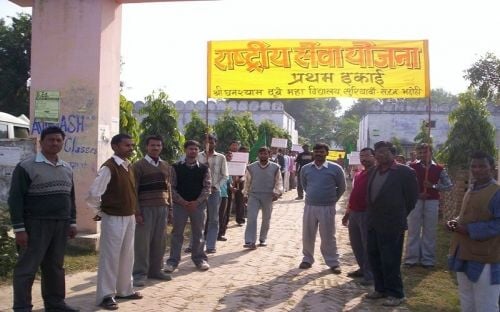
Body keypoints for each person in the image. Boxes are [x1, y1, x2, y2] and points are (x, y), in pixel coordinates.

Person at [8, 126, 79, 312]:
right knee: (27, 268)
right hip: (35, 224)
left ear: (63, 143)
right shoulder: (26, 166)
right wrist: (19, 229)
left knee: (55, 267)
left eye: (58, 140)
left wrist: (72, 222)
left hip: (61, 224)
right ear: (41, 142)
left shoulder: (67, 168)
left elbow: (70, 198)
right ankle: (22, 307)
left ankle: (55, 304)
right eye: (51, 140)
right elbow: (15, 199)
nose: (55, 143)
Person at [87, 133, 142, 310]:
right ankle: (106, 295)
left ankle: (124, 290)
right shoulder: (108, 168)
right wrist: (101, 212)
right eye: (127, 145)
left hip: (128, 217)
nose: (131, 148)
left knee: (127, 255)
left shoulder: (128, 166)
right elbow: (93, 195)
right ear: (115, 146)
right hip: (113, 218)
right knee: (110, 257)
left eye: (132, 145)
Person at [365, 141, 418, 307]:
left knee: (391, 259)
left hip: (393, 223)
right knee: (374, 256)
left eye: (384, 151)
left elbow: (411, 199)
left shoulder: (405, 172)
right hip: (374, 221)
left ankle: (396, 293)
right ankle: (380, 289)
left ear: (393, 153)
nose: (380, 155)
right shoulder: (373, 170)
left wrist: (399, 214)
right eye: (377, 152)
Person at [447, 151, 500, 312]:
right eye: (474, 166)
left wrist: (469, 230)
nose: (477, 170)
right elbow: (466, 215)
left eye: (482, 166)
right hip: (463, 252)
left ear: (492, 168)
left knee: (486, 303)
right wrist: (455, 222)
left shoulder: (497, 192)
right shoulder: (471, 189)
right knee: (466, 298)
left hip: (486, 256)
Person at [298, 143, 346, 273]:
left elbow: (342, 187)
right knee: (308, 234)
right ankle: (307, 259)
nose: (318, 154)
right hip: (310, 206)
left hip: (327, 207)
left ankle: (333, 262)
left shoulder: (336, 168)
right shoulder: (306, 168)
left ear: (327, 153)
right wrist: (313, 195)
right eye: (316, 151)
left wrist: (332, 200)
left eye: (321, 151)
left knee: (328, 236)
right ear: (313, 153)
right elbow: (304, 185)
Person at [132, 135, 173, 287]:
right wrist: (137, 212)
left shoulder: (166, 165)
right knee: (142, 243)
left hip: (162, 207)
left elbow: (168, 189)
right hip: (145, 208)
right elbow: (133, 190)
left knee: (160, 241)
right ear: (146, 147)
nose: (155, 148)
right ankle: (139, 274)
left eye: (158, 145)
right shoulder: (138, 166)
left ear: (162, 147)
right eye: (152, 145)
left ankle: (156, 270)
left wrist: (170, 211)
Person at [165, 140, 211, 272]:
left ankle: (199, 259)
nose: (193, 151)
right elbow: (171, 187)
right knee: (177, 234)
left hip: (198, 205)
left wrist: (196, 202)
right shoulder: (175, 167)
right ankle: (172, 261)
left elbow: (207, 187)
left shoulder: (204, 168)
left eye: (196, 149)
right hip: (180, 205)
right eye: (191, 149)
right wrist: (183, 202)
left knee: (199, 233)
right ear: (185, 150)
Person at [404, 143, 452, 268]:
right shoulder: (411, 167)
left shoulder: (440, 169)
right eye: (420, 152)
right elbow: (406, 185)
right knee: (413, 230)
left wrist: (433, 186)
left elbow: (449, 186)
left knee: (429, 231)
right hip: (416, 201)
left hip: (432, 201)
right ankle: (411, 258)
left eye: (425, 152)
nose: (423, 154)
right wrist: (417, 194)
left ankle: (427, 259)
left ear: (431, 152)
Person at [342, 147, 375, 285]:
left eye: (367, 156)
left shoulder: (376, 173)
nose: (364, 158)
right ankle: (362, 268)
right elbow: (353, 194)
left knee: (368, 244)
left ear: (373, 157)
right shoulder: (359, 174)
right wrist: (347, 212)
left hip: (367, 213)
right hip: (354, 212)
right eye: (362, 156)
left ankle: (370, 274)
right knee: (356, 244)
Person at [242, 146, 283, 249]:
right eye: (261, 153)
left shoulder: (276, 167)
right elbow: (247, 182)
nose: (263, 155)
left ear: (269, 155)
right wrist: (245, 194)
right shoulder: (251, 167)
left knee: (266, 218)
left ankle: (263, 239)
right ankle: (249, 241)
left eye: (265, 154)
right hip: (254, 194)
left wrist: (277, 192)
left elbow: (279, 182)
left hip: (268, 196)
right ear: (258, 155)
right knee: (251, 218)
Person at [197, 134, 228, 253]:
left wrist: (216, 186)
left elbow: (225, 175)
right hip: (199, 192)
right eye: (207, 142)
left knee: (213, 219)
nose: (209, 144)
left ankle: (211, 245)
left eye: (212, 142)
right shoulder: (198, 156)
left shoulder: (221, 157)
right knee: (198, 218)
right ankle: (195, 244)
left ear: (216, 143)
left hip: (214, 192)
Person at [217, 151, 233, 241]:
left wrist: (232, 188)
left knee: (222, 215)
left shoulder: (226, 170)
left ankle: (220, 234)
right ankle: (208, 234)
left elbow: (229, 182)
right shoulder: (210, 168)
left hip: (223, 195)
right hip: (212, 194)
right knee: (211, 216)